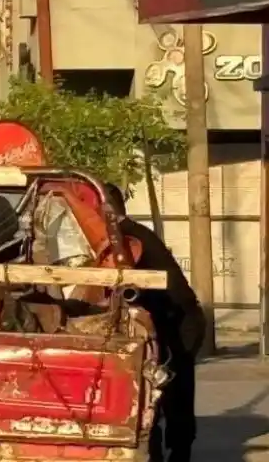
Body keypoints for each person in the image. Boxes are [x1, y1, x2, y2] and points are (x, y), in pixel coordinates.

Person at [104, 182, 204, 462]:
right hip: (165, 318)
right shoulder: (123, 236)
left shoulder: (129, 239)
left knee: (170, 392)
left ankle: (178, 451)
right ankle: (161, 449)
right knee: (155, 392)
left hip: (179, 321)